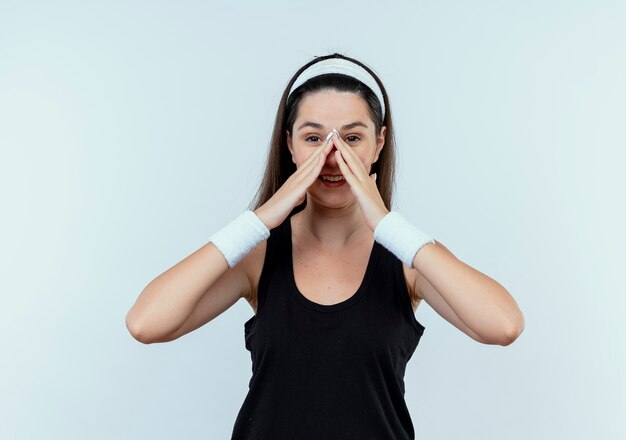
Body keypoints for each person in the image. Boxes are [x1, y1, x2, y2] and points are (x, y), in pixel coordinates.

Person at [125, 52, 525, 439]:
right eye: (314, 138)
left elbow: (503, 325)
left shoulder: (409, 258)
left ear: (379, 144)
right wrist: (261, 220)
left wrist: (387, 225)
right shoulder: (259, 255)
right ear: (290, 145)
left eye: (352, 138)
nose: (332, 157)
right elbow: (146, 324)